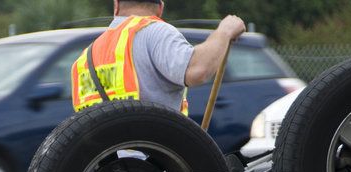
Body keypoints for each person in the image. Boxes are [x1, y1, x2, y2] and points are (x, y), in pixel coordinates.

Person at [72, 0, 246, 114]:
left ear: (116, 5)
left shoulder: (83, 59)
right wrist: (225, 31)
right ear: (160, 8)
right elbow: (197, 70)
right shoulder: (154, 31)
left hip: (102, 165)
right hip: (154, 161)